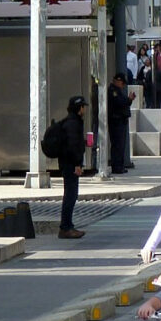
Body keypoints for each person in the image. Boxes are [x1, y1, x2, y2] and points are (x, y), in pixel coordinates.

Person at [57, 96, 88, 239]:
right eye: (83, 107)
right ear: (79, 108)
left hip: (69, 163)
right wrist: (77, 164)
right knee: (70, 195)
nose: (85, 109)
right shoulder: (73, 124)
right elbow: (72, 146)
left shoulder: (72, 122)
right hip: (70, 164)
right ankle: (65, 227)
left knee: (71, 194)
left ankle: (68, 226)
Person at [108, 72, 134, 174]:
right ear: (118, 81)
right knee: (117, 145)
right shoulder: (113, 91)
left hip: (121, 121)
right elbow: (119, 103)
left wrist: (129, 100)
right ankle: (117, 166)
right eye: (122, 83)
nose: (123, 86)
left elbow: (124, 102)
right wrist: (128, 99)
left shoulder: (118, 91)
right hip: (116, 121)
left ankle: (120, 165)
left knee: (121, 145)